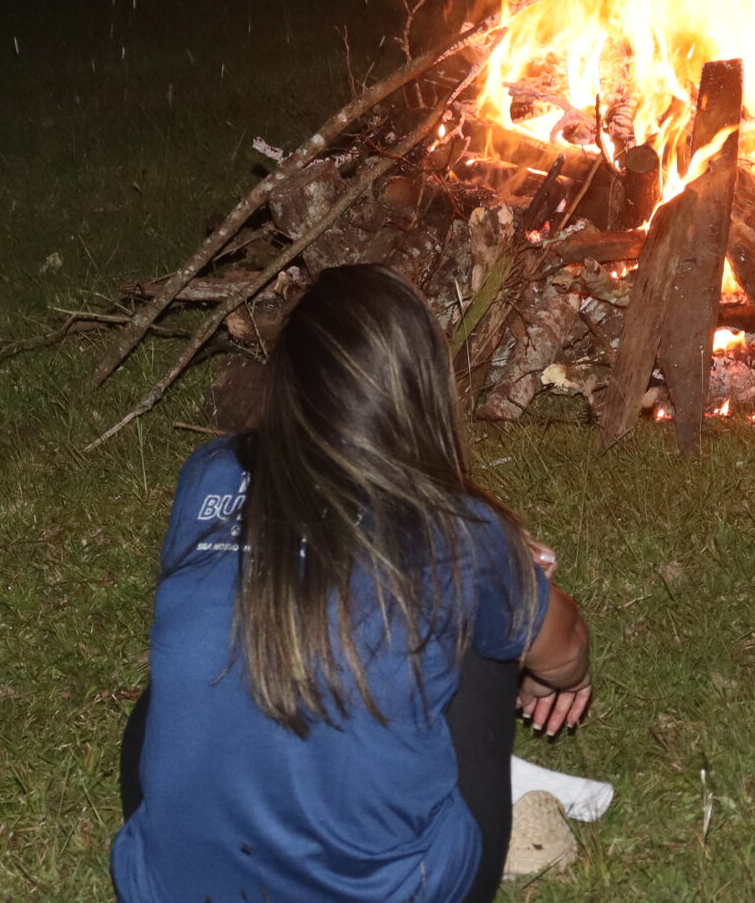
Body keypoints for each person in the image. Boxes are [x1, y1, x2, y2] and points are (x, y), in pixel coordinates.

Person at [110, 264, 593, 903]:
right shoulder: (459, 533)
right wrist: (521, 598)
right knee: (485, 629)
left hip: (168, 889)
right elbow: (565, 648)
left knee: (215, 634)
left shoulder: (211, 474)